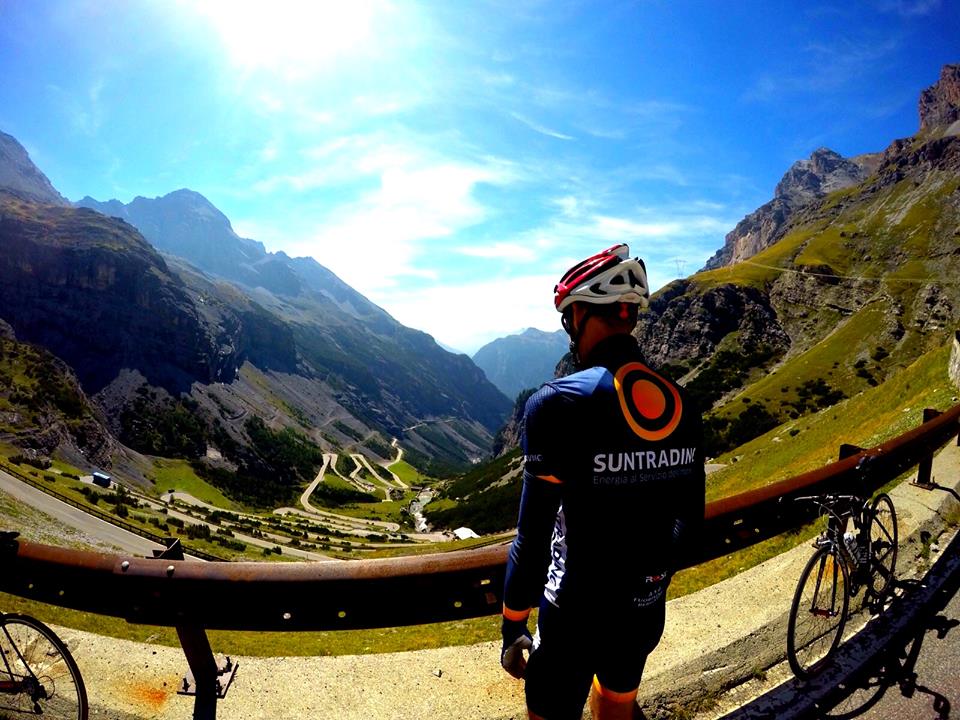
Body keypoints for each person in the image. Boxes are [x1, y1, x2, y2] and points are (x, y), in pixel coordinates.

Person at [500, 243, 705, 720]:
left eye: (568, 318)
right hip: (644, 610)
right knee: (616, 706)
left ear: (580, 315)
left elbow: (532, 539)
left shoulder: (557, 403)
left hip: (572, 616)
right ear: (627, 316)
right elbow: (689, 527)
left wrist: (513, 624)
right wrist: (648, 582)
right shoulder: (683, 404)